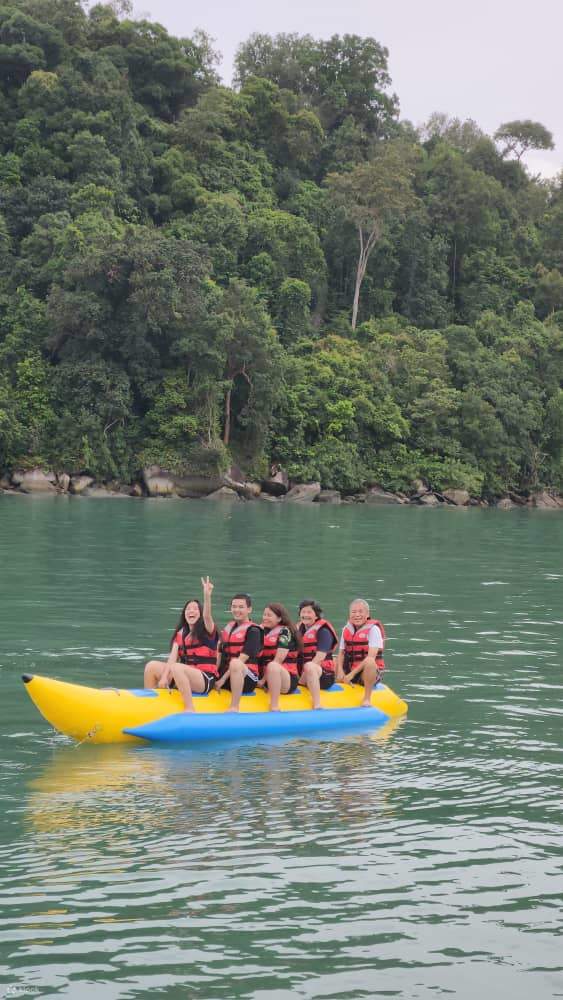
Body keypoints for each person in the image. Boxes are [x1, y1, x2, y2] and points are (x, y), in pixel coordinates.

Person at [143, 577, 218, 712]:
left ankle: (189, 708)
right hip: (183, 674)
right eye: (188, 609)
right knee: (151, 666)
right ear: (184, 614)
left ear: (200, 614)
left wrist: (207, 596)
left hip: (204, 678)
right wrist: (164, 677)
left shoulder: (208, 630)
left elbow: (207, 616)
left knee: (177, 667)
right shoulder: (180, 634)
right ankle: (149, 704)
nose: (191, 611)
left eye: (195, 609)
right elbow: (172, 658)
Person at [215, 594, 263, 712]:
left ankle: (234, 706)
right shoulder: (228, 628)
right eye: (234, 606)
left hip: (247, 678)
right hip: (227, 675)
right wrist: (213, 675)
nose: (237, 610)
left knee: (236, 663)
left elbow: (241, 660)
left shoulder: (254, 631)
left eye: (241, 607)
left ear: (249, 609)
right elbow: (219, 654)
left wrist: (222, 680)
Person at [335, 599, 385, 707]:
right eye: (354, 612)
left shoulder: (373, 630)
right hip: (350, 668)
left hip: (367, 672)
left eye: (360, 612)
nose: (357, 615)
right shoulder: (346, 629)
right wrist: (340, 671)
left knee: (370, 662)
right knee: (332, 660)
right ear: (349, 614)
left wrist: (351, 675)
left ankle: (367, 698)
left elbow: (370, 658)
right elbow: (341, 653)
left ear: (367, 614)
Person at [258, 603, 301, 711]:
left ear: (279, 618)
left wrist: (263, 680)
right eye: (264, 614)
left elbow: (278, 660)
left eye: (269, 615)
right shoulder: (261, 630)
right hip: (267, 677)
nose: (265, 618)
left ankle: (274, 706)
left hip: (286, 679)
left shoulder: (285, 632)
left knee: (273, 665)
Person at [297, 600, 338, 709]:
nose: (305, 615)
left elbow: (320, 658)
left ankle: (317, 704)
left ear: (316, 616)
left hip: (323, 675)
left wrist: (301, 680)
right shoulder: (298, 629)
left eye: (309, 612)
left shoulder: (323, 631)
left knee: (310, 666)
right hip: (302, 674)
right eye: (303, 612)